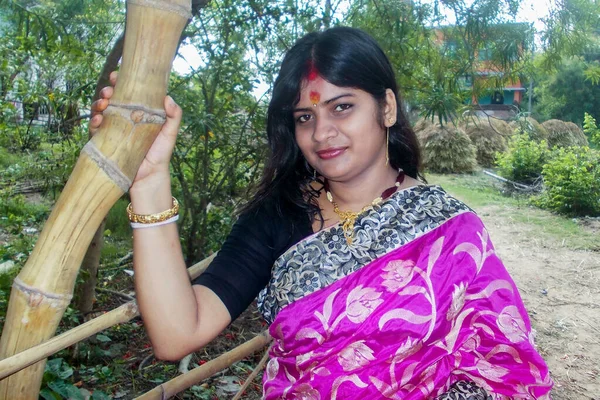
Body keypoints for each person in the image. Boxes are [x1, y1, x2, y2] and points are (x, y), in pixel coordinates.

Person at [90, 27, 553, 399]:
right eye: (305, 117)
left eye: (343, 107)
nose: (322, 132)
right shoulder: (277, 217)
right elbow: (176, 334)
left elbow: (501, 365)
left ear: (386, 107)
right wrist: (150, 181)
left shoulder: (451, 229)